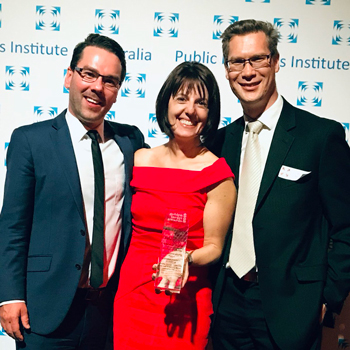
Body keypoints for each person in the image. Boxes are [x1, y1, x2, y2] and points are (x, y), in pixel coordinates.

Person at [0, 33, 146, 349]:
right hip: (43, 310)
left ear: (118, 92)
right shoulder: (30, 141)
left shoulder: (131, 143)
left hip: (109, 311)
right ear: (69, 77)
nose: (97, 87)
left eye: (110, 81)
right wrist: (10, 295)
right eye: (89, 74)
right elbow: (12, 228)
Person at [210, 19, 350, 350]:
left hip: (292, 309)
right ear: (227, 70)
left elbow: (346, 226)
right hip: (227, 304)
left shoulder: (319, 137)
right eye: (237, 62)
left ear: (275, 61)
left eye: (257, 59)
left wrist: (329, 297)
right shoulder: (219, 143)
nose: (248, 71)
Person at [113, 61, 236, 349]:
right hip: (133, 293)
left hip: (186, 297)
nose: (190, 110)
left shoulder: (217, 173)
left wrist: (187, 259)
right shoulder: (140, 159)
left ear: (210, 113)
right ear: (166, 103)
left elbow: (215, 247)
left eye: (201, 103)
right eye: (181, 98)